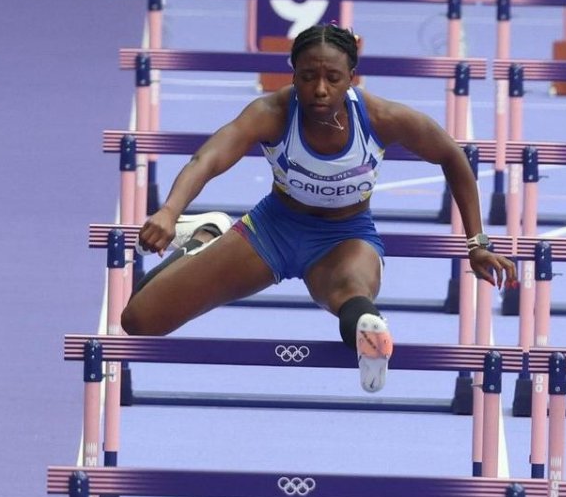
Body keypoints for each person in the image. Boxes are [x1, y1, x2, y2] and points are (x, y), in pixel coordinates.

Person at [121, 24, 517, 393]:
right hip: (272, 231)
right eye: (308, 77)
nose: (321, 90)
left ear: (351, 78)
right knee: (139, 320)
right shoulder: (271, 114)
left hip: (345, 237)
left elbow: (453, 157)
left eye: (333, 78)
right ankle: (209, 235)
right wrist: (170, 211)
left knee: (352, 292)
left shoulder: (381, 118)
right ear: (293, 75)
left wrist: (476, 242)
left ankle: (370, 338)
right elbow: (207, 159)